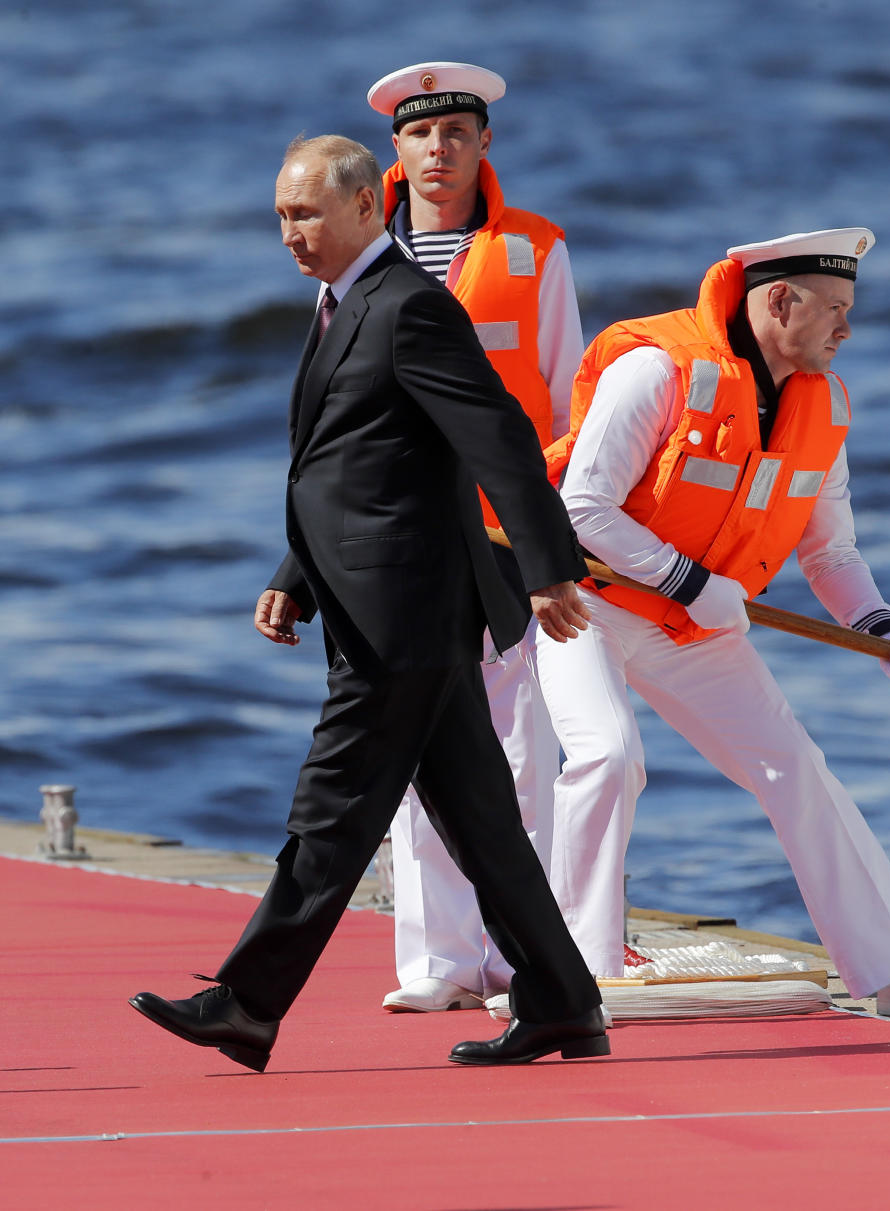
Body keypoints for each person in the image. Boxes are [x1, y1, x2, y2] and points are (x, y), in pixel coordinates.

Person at [129, 134, 610, 1069]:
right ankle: (563, 1001)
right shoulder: (344, 303)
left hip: (407, 616)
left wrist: (552, 569)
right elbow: (359, 465)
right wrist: (293, 575)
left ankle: (247, 1001)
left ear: (361, 207)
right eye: (280, 217)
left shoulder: (410, 309)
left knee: (335, 802)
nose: (289, 234)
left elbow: (500, 437)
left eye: (305, 214)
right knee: (479, 818)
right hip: (377, 600)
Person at [530, 227, 890, 1016]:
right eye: (833, 308)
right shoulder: (655, 370)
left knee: (795, 767)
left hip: (692, 624)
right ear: (779, 300)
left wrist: (883, 628)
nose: (847, 328)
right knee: (608, 755)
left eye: (849, 309)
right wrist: (690, 581)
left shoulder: (823, 404)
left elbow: (831, 554)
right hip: (583, 601)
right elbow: (581, 508)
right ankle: (577, 971)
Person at [362, 60, 585, 1014]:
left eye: (456, 133)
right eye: (421, 135)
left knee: (520, 749)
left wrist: (548, 539)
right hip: (407, 536)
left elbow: (569, 397)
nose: (439, 151)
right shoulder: (363, 254)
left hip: (502, 535)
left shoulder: (538, 249)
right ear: (397, 151)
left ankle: (513, 955)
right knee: (413, 742)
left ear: (484, 144)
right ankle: (439, 959)